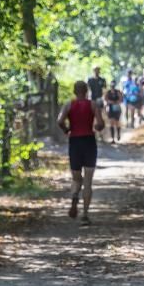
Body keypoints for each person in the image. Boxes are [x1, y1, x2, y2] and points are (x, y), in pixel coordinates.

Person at [57, 80, 105, 226]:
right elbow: (100, 123)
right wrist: (97, 127)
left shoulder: (69, 104)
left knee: (77, 178)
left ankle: (74, 195)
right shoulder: (92, 105)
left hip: (75, 142)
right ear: (87, 91)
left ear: (74, 91)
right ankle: (85, 214)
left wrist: (66, 130)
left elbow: (59, 120)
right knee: (88, 180)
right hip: (89, 141)